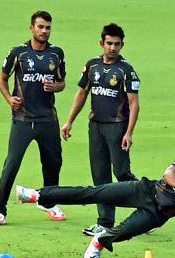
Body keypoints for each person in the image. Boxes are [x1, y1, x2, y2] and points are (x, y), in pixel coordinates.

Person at [15, 144, 175, 258]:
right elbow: (168, 173)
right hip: (143, 190)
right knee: (94, 193)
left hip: (157, 214)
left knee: (126, 231)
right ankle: (38, 195)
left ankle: (100, 242)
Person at [60, 23, 140, 236]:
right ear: (101, 43)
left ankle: (148, 206)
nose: (113, 48)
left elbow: (134, 103)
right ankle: (105, 222)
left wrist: (129, 132)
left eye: (117, 44)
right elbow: (81, 94)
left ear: (122, 45)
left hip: (117, 127)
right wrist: (69, 121)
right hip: (95, 127)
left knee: (121, 172)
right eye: (109, 43)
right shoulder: (92, 66)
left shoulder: (126, 70)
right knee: (100, 175)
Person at [0, 11, 67, 225]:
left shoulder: (56, 54)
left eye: (48, 27)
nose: (44, 31)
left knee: (53, 163)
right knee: (12, 164)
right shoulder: (19, 53)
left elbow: (62, 82)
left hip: (48, 120)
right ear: (32, 28)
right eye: (40, 27)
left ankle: (49, 203)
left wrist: (56, 86)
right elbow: (2, 79)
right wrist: (9, 99)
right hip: (23, 120)